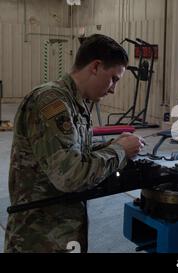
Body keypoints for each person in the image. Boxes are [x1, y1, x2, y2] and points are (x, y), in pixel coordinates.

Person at [4, 34, 144, 253]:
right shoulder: (52, 101)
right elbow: (70, 176)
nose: (113, 89)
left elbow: (76, 154)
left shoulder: (75, 102)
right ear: (96, 66)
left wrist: (114, 145)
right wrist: (118, 151)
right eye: (114, 79)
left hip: (62, 233)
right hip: (39, 239)